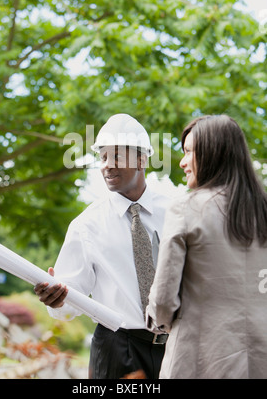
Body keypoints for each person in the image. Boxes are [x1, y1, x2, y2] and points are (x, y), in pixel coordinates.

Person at [34, 114, 171, 379]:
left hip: (175, 347)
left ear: (142, 160)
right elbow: (67, 302)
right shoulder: (86, 225)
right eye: (103, 157)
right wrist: (57, 300)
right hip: (117, 349)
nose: (107, 166)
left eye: (117, 156)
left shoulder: (176, 214)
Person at [146, 114, 267, 379]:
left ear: (212, 153)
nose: (182, 162)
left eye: (189, 152)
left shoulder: (185, 209)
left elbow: (164, 299)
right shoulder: (263, 212)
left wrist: (155, 320)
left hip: (198, 360)